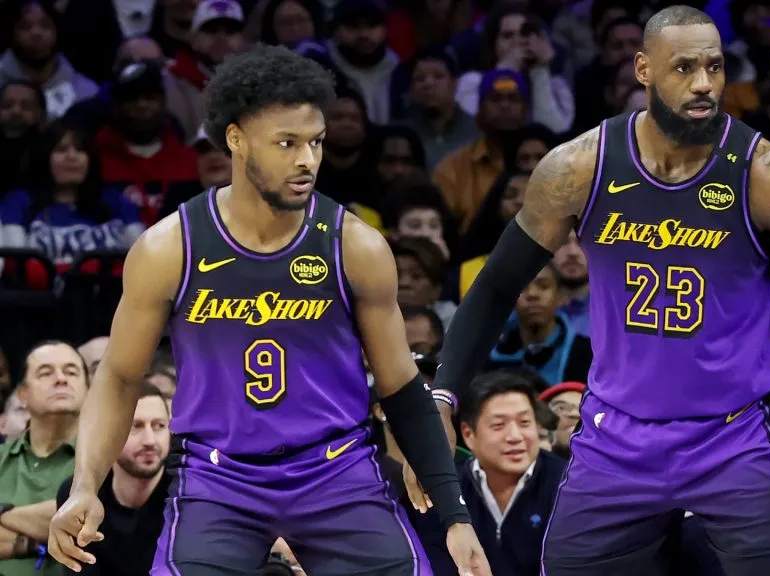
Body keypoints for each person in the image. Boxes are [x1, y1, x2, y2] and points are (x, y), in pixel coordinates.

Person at [434, 6, 770, 576]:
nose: (704, 83)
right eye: (684, 68)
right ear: (643, 70)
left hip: (736, 436)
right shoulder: (579, 168)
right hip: (616, 435)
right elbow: (498, 284)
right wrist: (444, 394)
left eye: (714, 67)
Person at [47, 46, 488, 576]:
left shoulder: (355, 246)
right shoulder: (171, 248)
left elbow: (399, 385)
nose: (307, 159)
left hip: (337, 471)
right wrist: (84, 487)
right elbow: (118, 378)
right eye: (287, 143)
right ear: (235, 139)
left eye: (316, 142)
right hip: (219, 478)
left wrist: (454, 512)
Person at [55, 383, 172, 576]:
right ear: (107, 434)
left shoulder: (187, 493)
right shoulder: (79, 495)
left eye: (159, 426)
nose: (150, 440)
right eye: (135, 426)